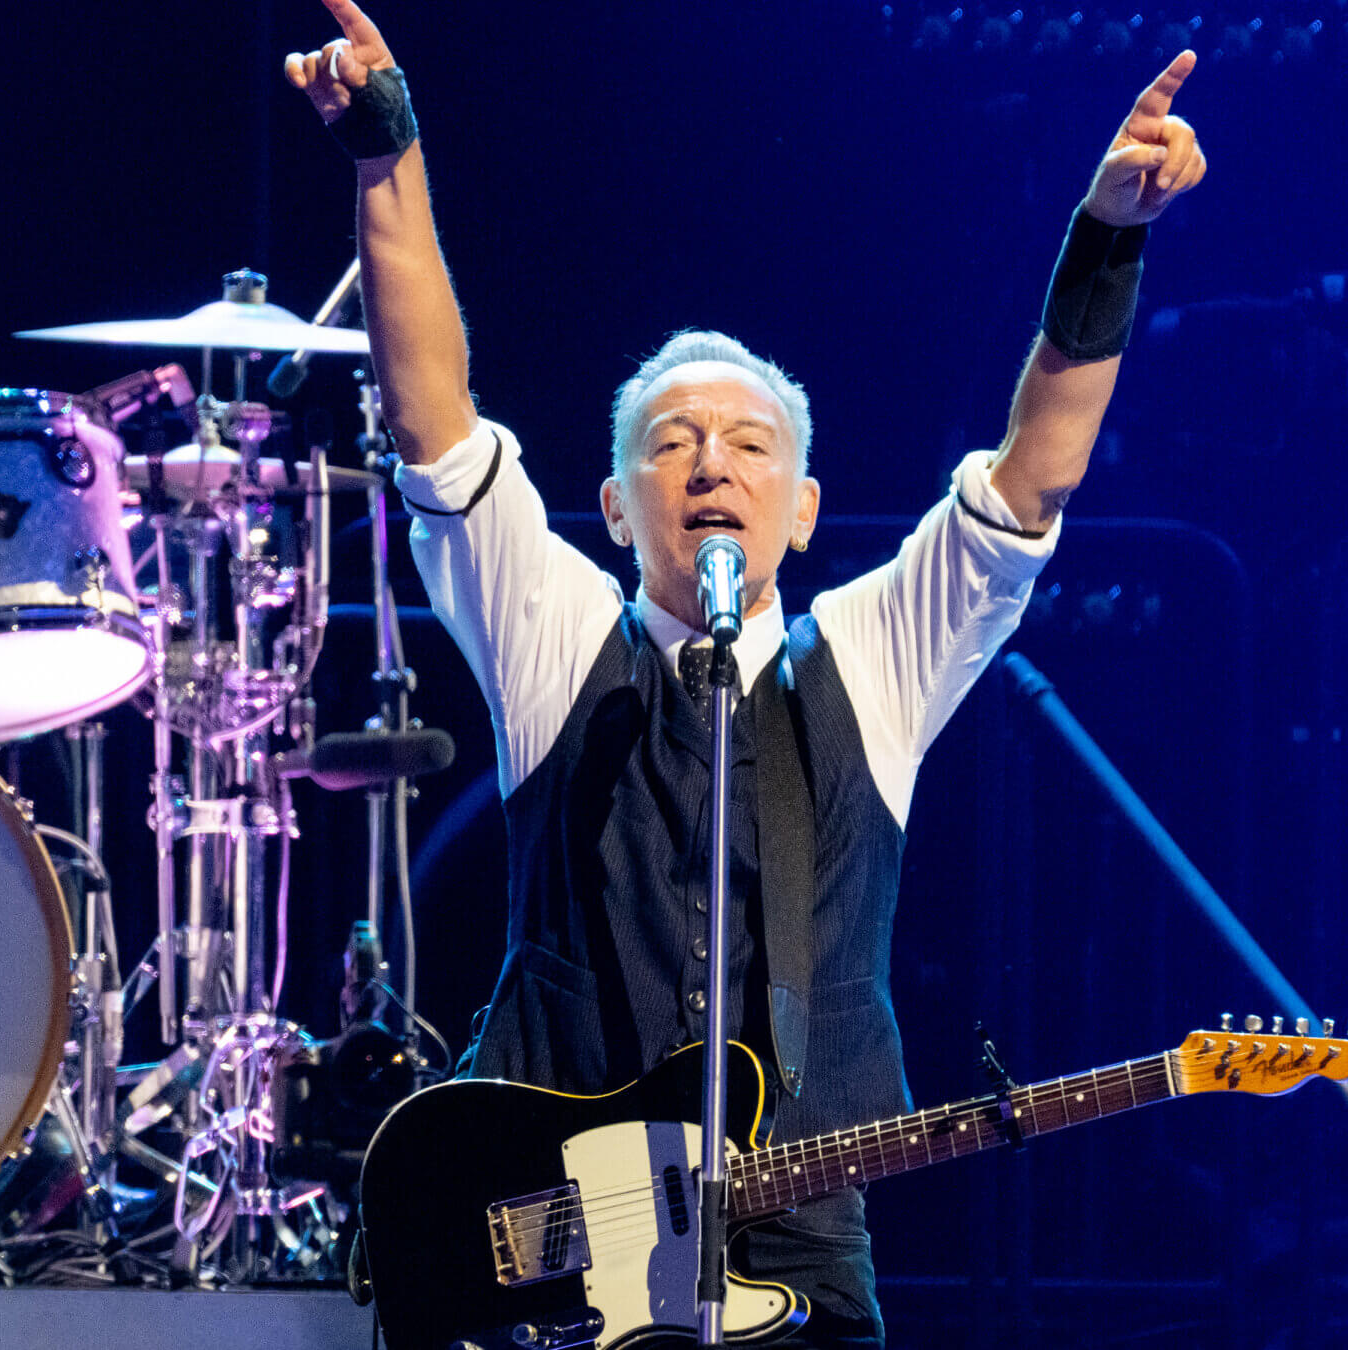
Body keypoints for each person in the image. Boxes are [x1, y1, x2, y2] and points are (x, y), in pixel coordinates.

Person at [285, 2, 1205, 1343]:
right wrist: (387, 151)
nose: (713, 461)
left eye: (750, 444)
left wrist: (1110, 231)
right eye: (672, 442)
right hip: (543, 1271)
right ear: (610, 502)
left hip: (801, 1261)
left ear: (808, 506)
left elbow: (1036, 468)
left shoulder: (878, 662)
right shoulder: (560, 640)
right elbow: (434, 419)